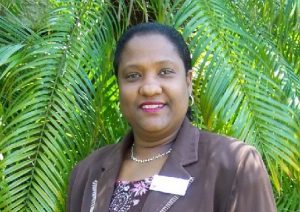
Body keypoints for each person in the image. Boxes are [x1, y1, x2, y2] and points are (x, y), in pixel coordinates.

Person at [67, 22, 276, 212]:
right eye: (133, 76)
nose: (149, 88)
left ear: (188, 81)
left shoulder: (233, 164)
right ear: (120, 87)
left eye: (165, 72)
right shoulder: (87, 173)